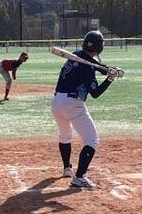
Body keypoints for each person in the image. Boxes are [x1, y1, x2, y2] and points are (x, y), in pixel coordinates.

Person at [51, 30, 120, 189]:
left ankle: (67, 168)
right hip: (72, 104)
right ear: (99, 46)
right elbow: (95, 93)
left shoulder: (76, 54)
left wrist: (105, 69)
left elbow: (91, 65)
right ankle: (80, 177)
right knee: (92, 140)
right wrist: (109, 79)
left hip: (56, 101)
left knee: (65, 135)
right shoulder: (88, 68)